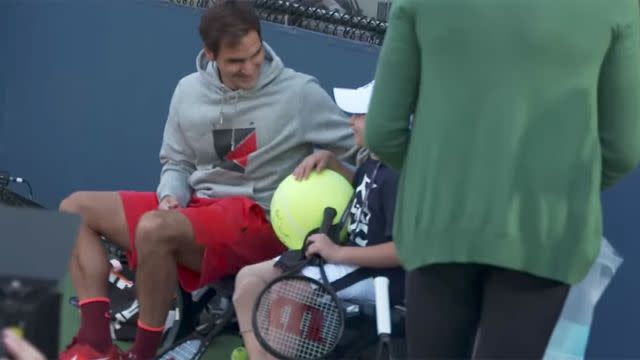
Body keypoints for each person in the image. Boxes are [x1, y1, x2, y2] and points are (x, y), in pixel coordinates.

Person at [57, 1, 354, 359]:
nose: (249, 69)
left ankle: (142, 353)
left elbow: (360, 154)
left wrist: (333, 162)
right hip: (198, 210)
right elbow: (176, 163)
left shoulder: (301, 93)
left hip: (258, 219)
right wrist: (171, 196)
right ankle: (95, 344)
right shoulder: (187, 91)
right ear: (210, 55)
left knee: (153, 228)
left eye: (255, 54)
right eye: (235, 62)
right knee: (74, 208)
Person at [364, 0, 640, 358]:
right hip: (545, 231)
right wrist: (562, 192)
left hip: (438, 220)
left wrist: (435, 179)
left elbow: (383, 132)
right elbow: (622, 149)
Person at [232, 80, 404, 360]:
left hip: (378, 277)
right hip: (348, 261)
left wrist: (337, 252)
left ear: (387, 122)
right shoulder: (374, 161)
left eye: (360, 115)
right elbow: (364, 190)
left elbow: (404, 250)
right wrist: (333, 162)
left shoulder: (399, 175)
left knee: (290, 289)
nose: (351, 122)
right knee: (248, 279)